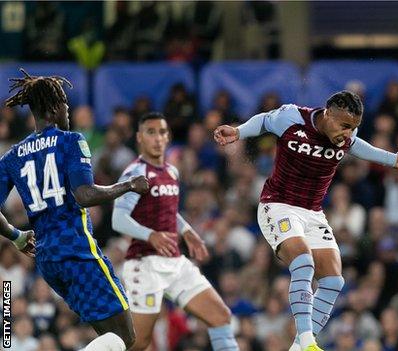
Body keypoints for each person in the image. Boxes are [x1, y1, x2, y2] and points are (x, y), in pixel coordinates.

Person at [214, 91, 398, 351]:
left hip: (312, 213)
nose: (347, 133)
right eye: (344, 126)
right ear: (328, 114)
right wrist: (239, 132)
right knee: (304, 263)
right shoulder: (293, 118)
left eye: (353, 128)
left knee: (333, 281)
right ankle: (308, 341)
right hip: (278, 205)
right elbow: (264, 121)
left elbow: (359, 146)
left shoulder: (345, 135)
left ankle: (297, 348)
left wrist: (391, 158)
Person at [0, 69, 149, 350]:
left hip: (47, 259)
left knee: (107, 337)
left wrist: (17, 236)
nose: (68, 114)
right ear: (56, 108)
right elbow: (84, 195)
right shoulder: (70, 141)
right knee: (125, 338)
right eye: (66, 107)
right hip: (77, 251)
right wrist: (128, 185)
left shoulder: (12, 156)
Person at [112, 112, 237, 351]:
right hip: (144, 264)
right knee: (138, 343)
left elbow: (168, 211)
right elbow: (118, 219)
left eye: (161, 132)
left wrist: (187, 230)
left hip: (175, 261)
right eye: (150, 132)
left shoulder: (172, 171)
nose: (157, 138)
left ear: (168, 136)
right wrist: (150, 235)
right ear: (139, 137)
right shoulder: (135, 173)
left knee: (220, 315)